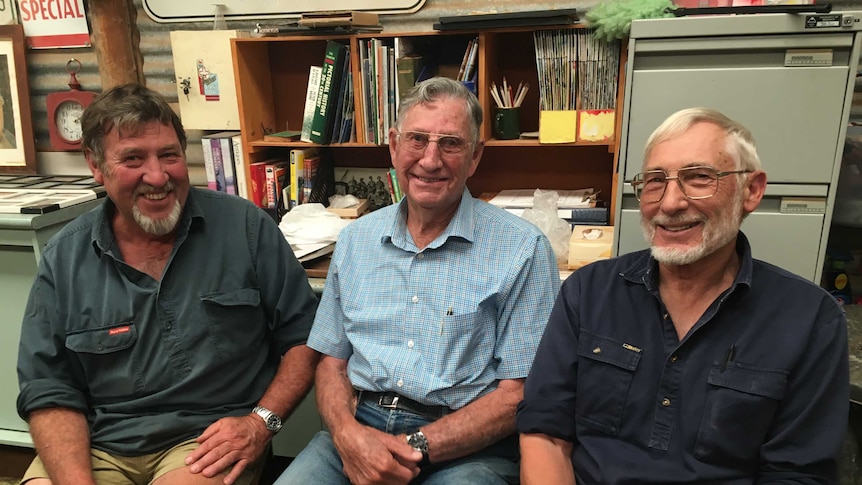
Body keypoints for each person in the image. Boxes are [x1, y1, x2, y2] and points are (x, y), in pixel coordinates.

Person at [516, 107, 849, 484]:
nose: (670, 203)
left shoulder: (809, 320)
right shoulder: (588, 292)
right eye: (655, 181)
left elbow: (797, 475)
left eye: (699, 178)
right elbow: (545, 431)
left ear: (751, 191)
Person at [16, 83, 320, 485]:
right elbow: (48, 387)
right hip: (97, 441)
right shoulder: (64, 257)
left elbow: (304, 338)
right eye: (133, 159)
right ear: (95, 163)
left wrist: (259, 423)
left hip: (206, 438)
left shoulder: (245, 228)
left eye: (169, 155)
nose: (157, 176)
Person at [275, 76, 560, 485]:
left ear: (475, 156)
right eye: (417, 140)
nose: (430, 160)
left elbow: (518, 392)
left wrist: (415, 446)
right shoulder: (356, 240)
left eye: (450, 143)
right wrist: (347, 434)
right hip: (357, 430)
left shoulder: (523, 249)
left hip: (464, 446)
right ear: (394, 146)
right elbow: (331, 363)